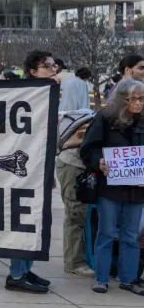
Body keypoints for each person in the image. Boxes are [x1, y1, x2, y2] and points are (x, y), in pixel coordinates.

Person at [81, 79, 144, 295]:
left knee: (131, 235)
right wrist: (99, 162)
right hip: (110, 187)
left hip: (137, 189)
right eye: (132, 99)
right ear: (121, 100)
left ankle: (129, 279)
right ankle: (101, 278)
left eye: (141, 99)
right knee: (106, 233)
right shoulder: (105, 119)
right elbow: (89, 148)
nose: (138, 103)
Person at [5, 50, 58, 293]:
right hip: (24, 169)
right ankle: (16, 273)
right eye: (46, 66)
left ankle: (25, 268)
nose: (53, 69)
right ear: (33, 72)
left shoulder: (48, 95)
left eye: (53, 65)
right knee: (24, 219)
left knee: (37, 221)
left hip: (40, 166)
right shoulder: (27, 96)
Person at [56, 109, 96, 278]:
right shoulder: (108, 119)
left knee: (81, 213)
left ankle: (80, 258)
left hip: (76, 165)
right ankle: (74, 262)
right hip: (74, 165)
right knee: (75, 213)